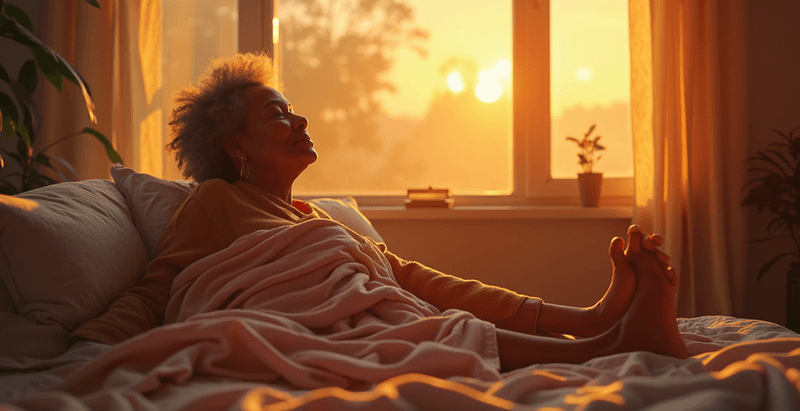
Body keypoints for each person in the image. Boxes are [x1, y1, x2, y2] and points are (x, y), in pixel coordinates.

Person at [70, 52, 687, 371]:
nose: (301, 119)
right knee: (412, 330)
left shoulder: (319, 222)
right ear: (235, 145)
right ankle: (607, 348)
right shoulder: (217, 200)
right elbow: (164, 283)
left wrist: (575, 310)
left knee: (415, 310)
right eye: (279, 114)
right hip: (305, 326)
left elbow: (418, 281)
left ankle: (598, 324)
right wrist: (87, 345)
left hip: (369, 314)